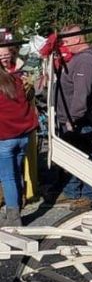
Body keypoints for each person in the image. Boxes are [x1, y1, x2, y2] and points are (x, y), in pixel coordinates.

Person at [55, 25, 92, 209]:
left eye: (66, 41)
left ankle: (89, 195)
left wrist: (72, 118)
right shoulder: (78, 60)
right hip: (72, 119)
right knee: (75, 157)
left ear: (77, 39)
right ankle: (73, 192)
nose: (63, 45)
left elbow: (82, 93)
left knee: (86, 157)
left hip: (79, 121)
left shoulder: (85, 61)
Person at [0, 66, 38, 226]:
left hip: (5, 138)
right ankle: (14, 212)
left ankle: (14, 218)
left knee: (8, 178)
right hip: (23, 136)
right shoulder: (15, 80)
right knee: (16, 174)